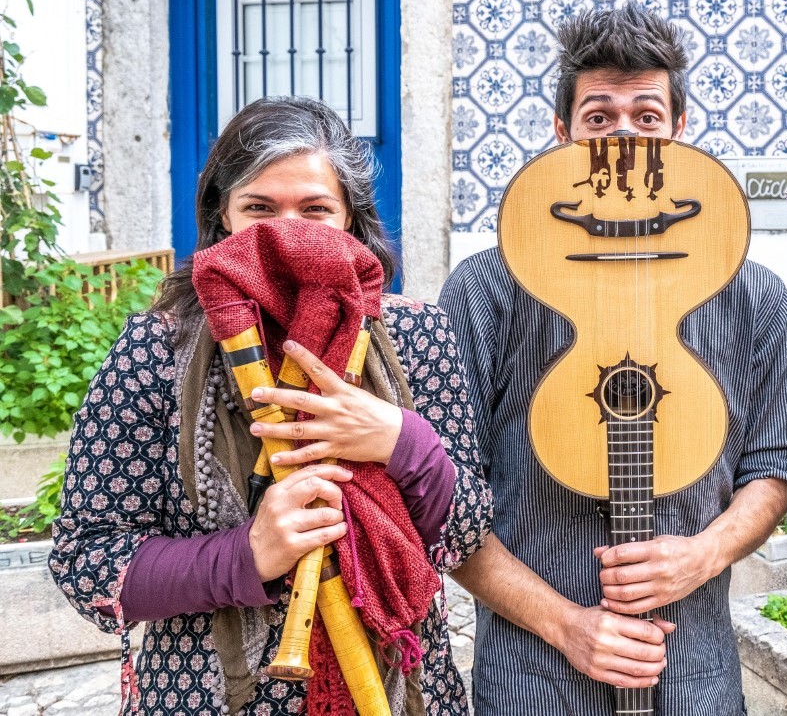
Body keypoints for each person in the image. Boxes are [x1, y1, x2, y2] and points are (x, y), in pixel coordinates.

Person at [50, 96, 493, 715]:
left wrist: (401, 441)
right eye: (259, 209)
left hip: (399, 688)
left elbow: (466, 533)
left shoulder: (418, 338)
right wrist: (246, 555)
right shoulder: (157, 347)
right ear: (221, 217)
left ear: (351, 221)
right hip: (203, 694)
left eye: (316, 210)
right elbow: (86, 561)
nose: (288, 236)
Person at [439, 3, 787, 714]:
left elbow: (771, 467)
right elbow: (444, 501)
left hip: (694, 674)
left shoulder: (754, 294)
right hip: (531, 678)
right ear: (562, 133)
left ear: (679, 131)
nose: (625, 139)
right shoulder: (484, 290)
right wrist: (567, 624)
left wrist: (705, 552)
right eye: (600, 118)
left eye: (646, 116)